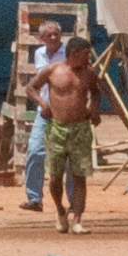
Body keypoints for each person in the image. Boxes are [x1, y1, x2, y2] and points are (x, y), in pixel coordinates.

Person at [28, 35, 102, 235]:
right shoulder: (54, 70)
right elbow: (31, 87)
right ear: (73, 54)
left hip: (80, 129)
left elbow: (96, 92)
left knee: (80, 177)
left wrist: (94, 110)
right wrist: (43, 104)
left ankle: (77, 219)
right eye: (85, 54)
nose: (88, 58)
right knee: (54, 177)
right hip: (57, 129)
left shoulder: (89, 73)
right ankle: (60, 211)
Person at [20, 21, 76, 212]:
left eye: (56, 34)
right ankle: (34, 199)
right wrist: (42, 104)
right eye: (49, 35)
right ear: (41, 38)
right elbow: (35, 85)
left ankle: (73, 202)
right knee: (35, 152)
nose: (53, 38)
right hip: (45, 113)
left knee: (69, 160)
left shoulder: (69, 55)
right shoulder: (39, 54)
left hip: (66, 114)